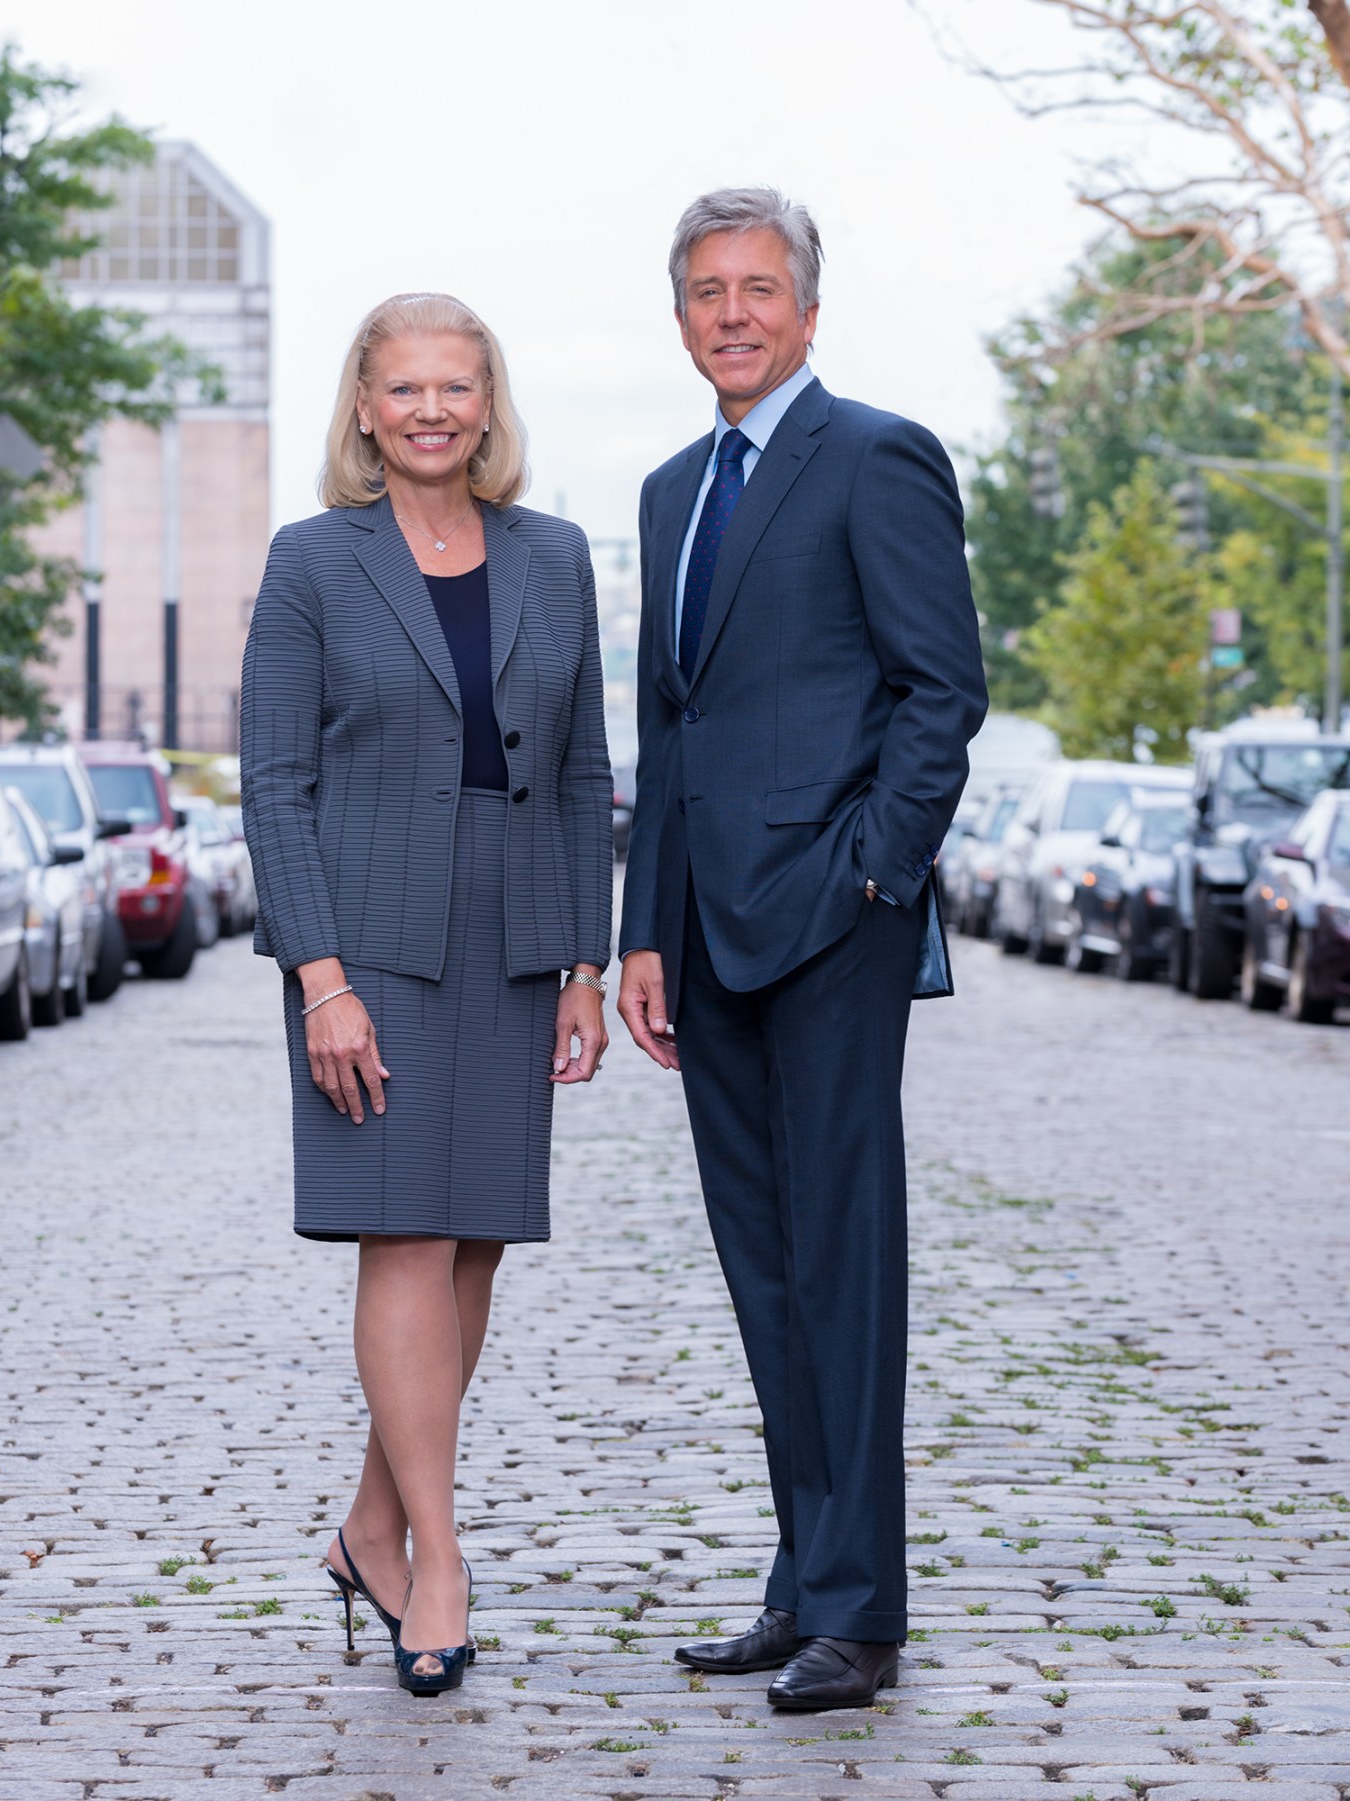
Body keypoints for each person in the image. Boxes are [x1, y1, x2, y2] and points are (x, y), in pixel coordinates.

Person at [618, 190, 987, 1712]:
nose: (733, 313)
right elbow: (670, 726)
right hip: (707, 937)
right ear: (681, 317)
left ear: (809, 310)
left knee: (841, 1261)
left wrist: (876, 874)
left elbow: (941, 691)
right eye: (708, 291)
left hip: (835, 924)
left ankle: (861, 1608)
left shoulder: (877, 457)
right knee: (765, 1268)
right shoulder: (669, 491)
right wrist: (644, 929)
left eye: (759, 287)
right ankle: (803, 1580)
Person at [240, 293, 613, 1697]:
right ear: (364, 406)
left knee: (475, 1248)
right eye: (404, 387)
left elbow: (581, 770)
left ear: (488, 401)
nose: (432, 410)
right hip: (369, 941)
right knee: (402, 1238)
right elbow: (274, 783)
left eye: (456, 385)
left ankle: (369, 1524)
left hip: (514, 940)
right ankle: (436, 1562)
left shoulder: (555, 554)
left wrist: (585, 961)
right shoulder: (311, 561)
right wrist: (319, 981)